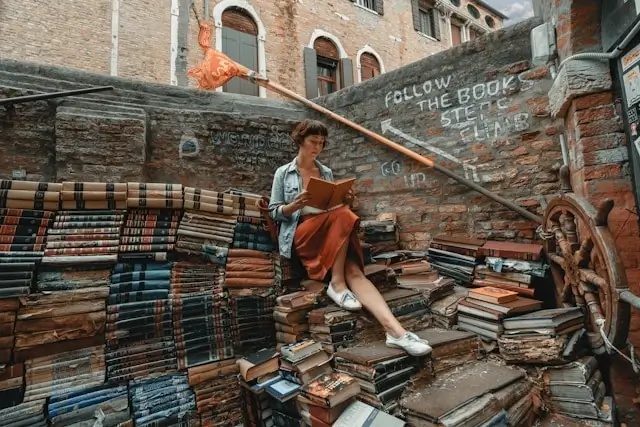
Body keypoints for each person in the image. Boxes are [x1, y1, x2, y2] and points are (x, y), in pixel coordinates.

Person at [268, 119, 432, 356]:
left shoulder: (325, 172)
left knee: (354, 269)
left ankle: (396, 332)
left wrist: (347, 199)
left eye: (322, 143)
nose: (317, 147)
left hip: (330, 231)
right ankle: (337, 283)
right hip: (303, 235)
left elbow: (330, 204)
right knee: (342, 216)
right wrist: (294, 205)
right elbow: (274, 212)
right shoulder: (283, 173)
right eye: (313, 142)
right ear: (300, 141)